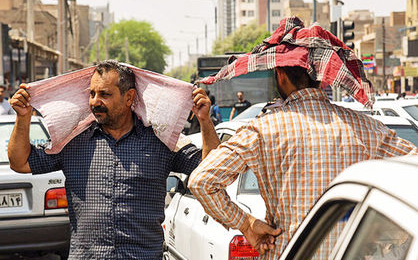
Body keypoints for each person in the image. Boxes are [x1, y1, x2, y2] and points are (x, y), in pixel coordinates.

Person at [188, 17, 418, 259]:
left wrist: (246, 224)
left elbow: (202, 181)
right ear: (318, 77)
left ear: (281, 75)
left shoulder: (262, 130)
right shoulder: (365, 128)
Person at [8, 60, 220, 260]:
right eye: (91, 93)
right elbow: (20, 163)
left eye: (104, 94)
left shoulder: (161, 142)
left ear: (129, 98)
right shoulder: (72, 142)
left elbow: (213, 170)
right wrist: (23, 117)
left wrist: (205, 121)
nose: (94, 101)